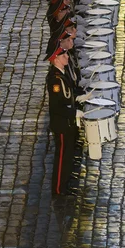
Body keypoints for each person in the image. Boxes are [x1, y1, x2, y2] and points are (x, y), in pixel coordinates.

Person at [44, 43, 84, 196]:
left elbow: (68, 94)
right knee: (62, 158)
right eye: (63, 55)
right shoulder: (55, 79)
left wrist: (78, 97)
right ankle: (59, 189)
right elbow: (57, 106)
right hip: (62, 124)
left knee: (68, 155)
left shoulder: (61, 73)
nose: (67, 57)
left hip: (67, 123)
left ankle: (65, 184)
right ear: (56, 60)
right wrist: (74, 113)